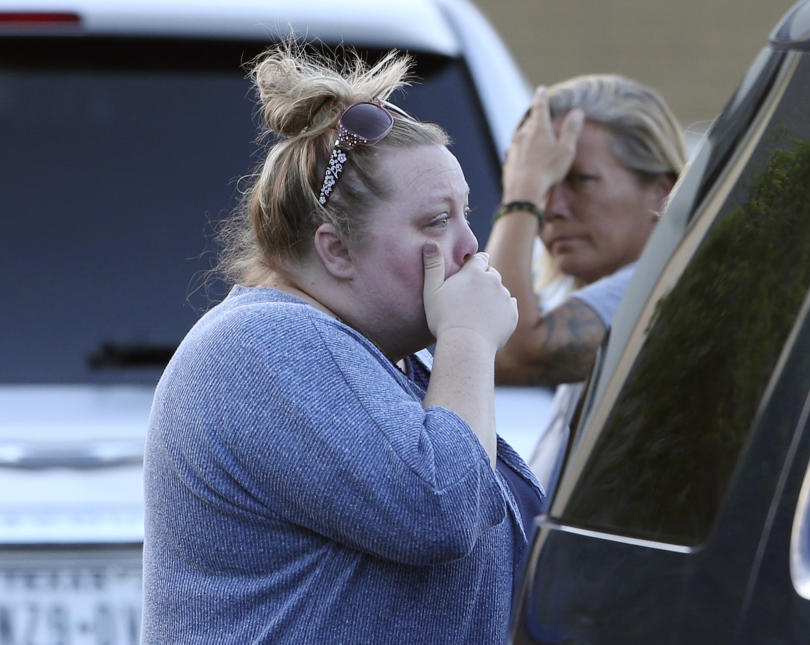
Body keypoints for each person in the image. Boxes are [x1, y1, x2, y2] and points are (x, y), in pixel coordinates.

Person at [141, 43, 541, 644]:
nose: (470, 249)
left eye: (465, 214)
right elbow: (441, 508)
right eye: (436, 222)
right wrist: (466, 337)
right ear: (335, 250)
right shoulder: (260, 346)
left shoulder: (388, 360)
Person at [486, 76, 687, 484]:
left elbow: (502, 349)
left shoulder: (656, 289)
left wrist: (521, 195)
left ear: (661, 193)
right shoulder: (606, 302)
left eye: (579, 180)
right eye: (546, 183)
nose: (552, 207)